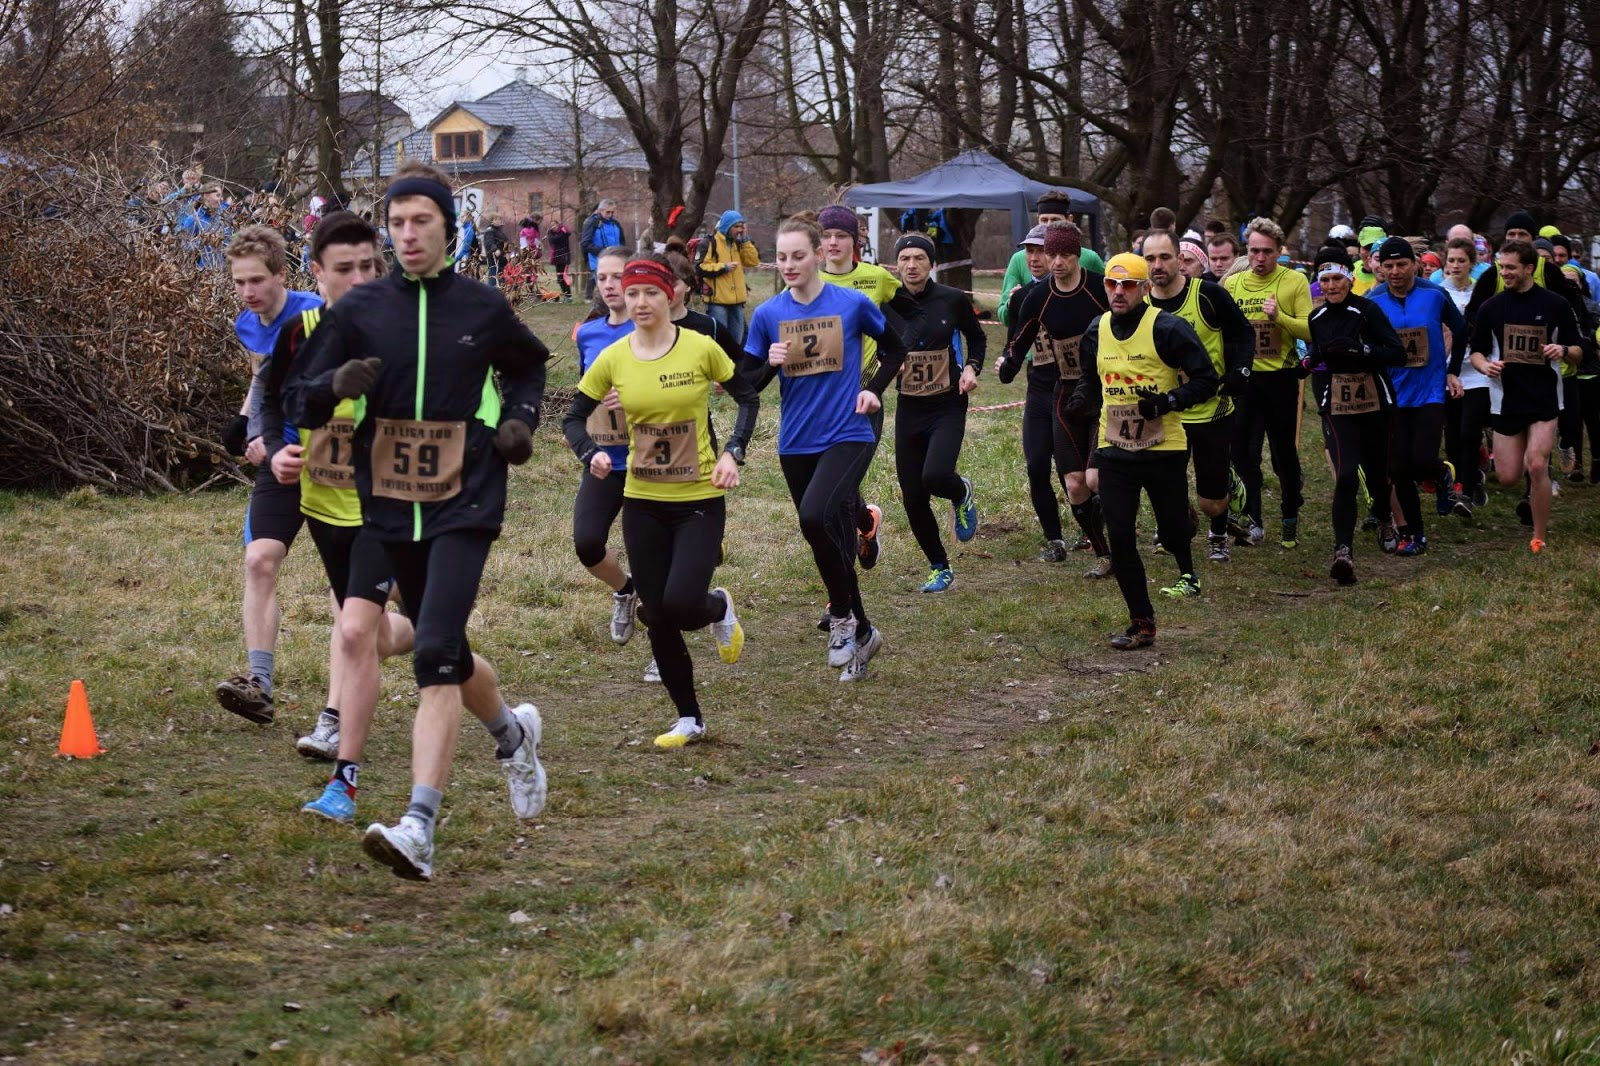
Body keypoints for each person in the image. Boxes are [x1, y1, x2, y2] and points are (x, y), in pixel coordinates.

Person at [284, 162, 551, 881]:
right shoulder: (361, 310)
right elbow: (298, 398)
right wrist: (333, 385)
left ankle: (418, 826)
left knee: (432, 650)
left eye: (420, 221)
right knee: (446, 648)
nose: (407, 234)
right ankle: (511, 734)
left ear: (448, 227)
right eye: (396, 222)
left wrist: (520, 422)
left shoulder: (481, 306)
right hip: (389, 505)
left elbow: (529, 367)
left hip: (466, 499)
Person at [255, 213, 421, 822]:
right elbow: (271, 400)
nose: (357, 280)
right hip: (324, 507)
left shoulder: (406, 331)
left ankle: (343, 783)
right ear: (317, 273)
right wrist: (277, 448)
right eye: (343, 269)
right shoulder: (298, 333)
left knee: (352, 633)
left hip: (388, 509)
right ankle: (505, 720)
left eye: (368, 267)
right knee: (375, 637)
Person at [563, 258, 759, 747]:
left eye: (650, 292)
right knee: (657, 613)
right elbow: (572, 417)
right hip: (642, 502)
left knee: (681, 604)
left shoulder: (700, 347)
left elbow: (748, 396)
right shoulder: (614, 357)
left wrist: (733, 451)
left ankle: (718, 607)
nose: (640, 302)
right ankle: (689, 718)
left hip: (698, 499)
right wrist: (590, 453)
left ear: (670, 294)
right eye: (632, 294)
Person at [744, 216, 907, 680]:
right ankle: (863, 634)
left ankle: (840, 615)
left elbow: (895, 348)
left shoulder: (852, 304)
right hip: (796, 441)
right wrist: (768, 364)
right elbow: (746, 383)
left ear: (818, 254)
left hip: (848, 432)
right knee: (829, 535)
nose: (789, 264)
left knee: (814, 517)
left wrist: (873, 389)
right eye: (781, 257)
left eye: (798, 255)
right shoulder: (768, 314)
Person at [1066, 254, 1219, 649]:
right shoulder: (1096, 329)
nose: (1119, 292)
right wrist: (1082, 398)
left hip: (1163, 449)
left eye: (1129, 285)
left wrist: (1168, 401)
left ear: (1145, 288)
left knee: (1171, 532)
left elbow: (1207, 380)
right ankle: (1142, 621)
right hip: (1114, 449)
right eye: (1112, 284)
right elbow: (1090, 379)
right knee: (1119, 534)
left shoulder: (1169, 328)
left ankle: (1181, 531)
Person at [214, 226, 324, 724]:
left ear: (281, 274)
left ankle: (416, 606)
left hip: (333, 459)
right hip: (281, 462)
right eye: (239, 282)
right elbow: (265, 378)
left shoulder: (315, 315)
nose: (248, 291)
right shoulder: (248, 324)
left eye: (256, 280)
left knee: (362, 581)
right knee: (259, 559)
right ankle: (258, 685)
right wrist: (247, 423)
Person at [997, 223, 1113, 577]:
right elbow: (1020, 337)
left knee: (1096, 479)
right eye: (1052, 254)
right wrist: (1009, 365)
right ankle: (1104, 554)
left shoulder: (1099, 288)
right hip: (1064, 392)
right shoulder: (1038, 296)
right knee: (1075, 483)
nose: (1057, 262)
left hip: (1105, 392)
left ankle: (1119, 533)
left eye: (1064, 255)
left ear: (1078, 255)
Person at [817, 204, 919, 576]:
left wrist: (901, 353)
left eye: (841, 235)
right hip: (820, 402)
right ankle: (867, 521)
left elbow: (915, 314)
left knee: (842, 490)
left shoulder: (876, 278)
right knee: (831, 488)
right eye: (826, 236)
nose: (833, 242)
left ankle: (841, 585)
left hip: (864, 398)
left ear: (855, 240)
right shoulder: (808, 281)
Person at [1142, 228, 1254, 563]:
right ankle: (1176, 522)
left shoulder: (1208, 295)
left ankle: (1218, 529)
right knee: (1164, 485)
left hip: (1210, 409)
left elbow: (1244, 333)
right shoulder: (1141, 303)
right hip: (1166, 412)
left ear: (1179, 259)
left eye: (1165, 257)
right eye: (1150, 258)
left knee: (1212, 502)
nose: (1157, 265)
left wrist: (1241, 371)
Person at [1467, 239, 1585, 553]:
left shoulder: (1555, 305)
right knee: (1508, 477)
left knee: (1536, 464)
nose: (1504, 273)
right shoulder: (1491, 308)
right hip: (1506, 398)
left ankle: (1538, 535)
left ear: (1529, 268)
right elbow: (1476, 351)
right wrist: (1485, 366)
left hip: (1545, 397)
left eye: (1511, 267)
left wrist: (1562, 350)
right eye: (1501, 267)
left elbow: (1579, 351)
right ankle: (1524, 469)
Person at [1304, 245, 1405, 584]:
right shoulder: (1316, 317)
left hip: (1375, 401)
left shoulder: (1368, 310)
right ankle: (1342, 551)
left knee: (1378, 474)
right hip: (1338, 403)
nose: (1331, 286)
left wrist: (1364, 350)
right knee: (1346, 475)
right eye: (1325, 280)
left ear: (1348, 279)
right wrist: (1309, 361)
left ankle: (1384, 517)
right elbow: (1319, 351)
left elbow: (1397, 353)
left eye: (1337, 279)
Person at [890, 233, 985, 592]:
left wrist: (972, 368)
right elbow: (877, 347)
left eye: (919, 258)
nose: (911, 265)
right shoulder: (889, 304)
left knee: (935, 475)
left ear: (931, 264)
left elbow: (977, 338)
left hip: (947, 403)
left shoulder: (952, 299)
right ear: (896, 265)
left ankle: (960, 492)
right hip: (909, 406)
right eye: (905, 259)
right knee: (913, 496)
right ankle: (939, 567)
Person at [1366, 236, 1471, 545]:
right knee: (1399, 468)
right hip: (1393, 393)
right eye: (1389, 266)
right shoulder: (1373, 301)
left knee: (1422, 461)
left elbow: (1461, 330)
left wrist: (1452, 371)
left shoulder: (1434, 294)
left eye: (1402, 264)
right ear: (1381, 268)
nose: (1395, 271)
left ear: (1415, 265)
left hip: (1429, 390)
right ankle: (1415, 534)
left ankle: (1440, 474)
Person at [570, 247, 642, 668]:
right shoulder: (589, 333)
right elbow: (584, 390)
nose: (611, 285)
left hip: (649, 462)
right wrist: (582, 436)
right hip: (602, 457)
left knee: (647, 550)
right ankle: (624, 589)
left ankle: (663, 641)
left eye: (619, 277)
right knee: (587, 542)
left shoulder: (650, 330)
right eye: (603, 278)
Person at [1223, 217, 1312, 548]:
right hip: (1246, 381)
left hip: (1280, 380)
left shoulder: (1294, 281)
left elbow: (1310, 329)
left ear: (1278, 251)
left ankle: (1290, 515)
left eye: (1267, 252)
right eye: (1254, 251)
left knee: (1283, 454)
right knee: (1243, 454)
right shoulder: (1233, 284)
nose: (1259, 258)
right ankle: (1253, 520)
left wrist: (1279, 318)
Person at [1001, 225, 1071, 559]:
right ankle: (1054, 539)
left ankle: (1091, 527)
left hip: (1072, 389)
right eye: (1028, 251)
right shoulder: (1021, 297)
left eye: (1040, 250)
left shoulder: (1074, 292)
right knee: (1037, 465)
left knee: (1071, 470)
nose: (1033, 258)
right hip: (1039, 387)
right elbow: (1014, 342)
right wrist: (1007, 362)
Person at [1439, 236, 1492, 507]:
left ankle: (1466, 492)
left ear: (1472, 263)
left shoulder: (1481, 294)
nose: (1456, 265)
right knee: (1453, 433)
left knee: (1470, 432)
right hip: (1448, 371)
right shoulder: (1437, 292)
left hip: (1477, 370)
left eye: (1462, 260)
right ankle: (1464, 479)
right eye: (1451, 260)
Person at [998, 190, 1105, 322]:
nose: (1049, 226)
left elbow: (1107, 298)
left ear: (1069, 220)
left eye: (1055, 220)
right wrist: (1012, 304)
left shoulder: (1090, 258)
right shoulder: (1020, 259)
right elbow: (1003, 316)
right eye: (1044, 220)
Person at [697, 210, 761, 345]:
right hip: (717, 302)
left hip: (737, 302)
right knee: (720, 341)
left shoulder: (739, 243)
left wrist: (745, 239)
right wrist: (723, 267)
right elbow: (700, 267)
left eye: (741, 226)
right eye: (736, 226)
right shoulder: (710, 243)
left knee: (737, 342)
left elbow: (753, 261)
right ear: (727, 226)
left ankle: (735, 360)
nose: (739, 230)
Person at [581, 199, 626, 298]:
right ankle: (591, 299)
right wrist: (603, 251)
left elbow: (622, 242)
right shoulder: (592, 223)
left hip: (615, 259)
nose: (610, 215)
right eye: (607, 212)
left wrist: (621, 253)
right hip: (597, 260)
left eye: (612, 212)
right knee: (603, 287)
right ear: (600, 210)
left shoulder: (616, 224)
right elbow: (585, 243)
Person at [180, 183, 232, 269]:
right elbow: (185, 247)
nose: (221, 199)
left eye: (221, 196)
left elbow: (229, 242)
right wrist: (205, 241)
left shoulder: (223, 219)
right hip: (202, 271)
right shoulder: (193, 220)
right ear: (206, 196)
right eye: (218, 195)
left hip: (222, 270)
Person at [547, 217, 573, 301]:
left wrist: (550, 233)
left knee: (564, 277)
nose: (553, 227)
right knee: (560, 279)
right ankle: (565, 295)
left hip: (564, 258)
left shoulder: (563, 232)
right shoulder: (552, 233)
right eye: (551, 226)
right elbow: (551, 241)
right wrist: (550, 233)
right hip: (557, 258)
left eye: (554, 225)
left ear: (558, 225)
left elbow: (555, 239)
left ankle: (569, 296)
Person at [481, 214, 510, 288]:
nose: (498, 221)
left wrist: (507, 253)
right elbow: (489, 242)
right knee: (493, 276)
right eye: (496, 219)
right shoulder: (489, 230)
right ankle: (489, 291)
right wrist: (495, 249)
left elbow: (506, 241)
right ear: (492, 221)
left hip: (501, 258)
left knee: (501, 277)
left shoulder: (499, 230)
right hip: (493, 257)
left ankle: (501, 291)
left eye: (499, 219)